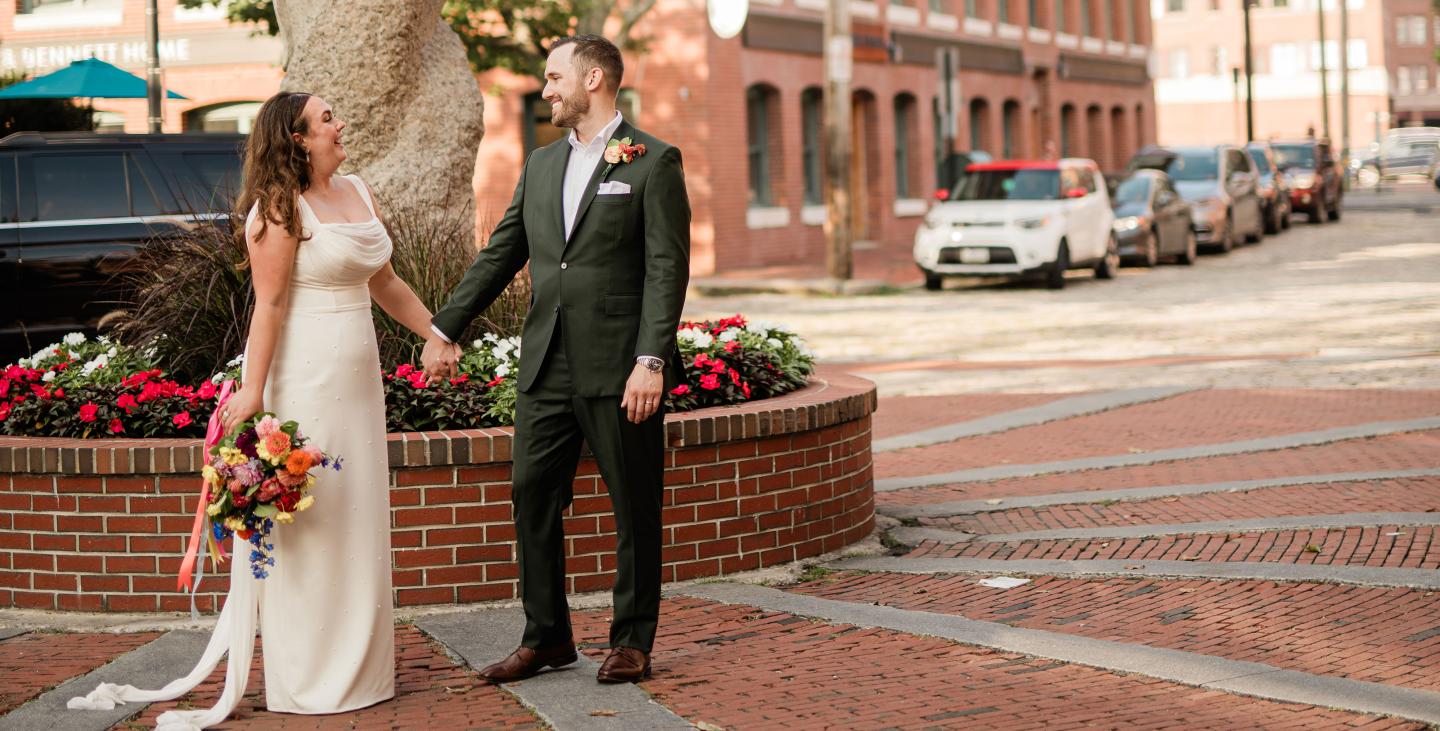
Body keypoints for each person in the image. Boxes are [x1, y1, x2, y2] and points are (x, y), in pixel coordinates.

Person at [69, 90, 448, 728]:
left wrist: (436, 332)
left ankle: (364, 670)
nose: (340, 123)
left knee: (357, 518)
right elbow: (268, 309)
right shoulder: (278, 210)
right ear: (297, 139)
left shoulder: (356, 188)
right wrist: (252, 390)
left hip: (358, 384)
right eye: (328, 118)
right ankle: (308, 679)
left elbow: (383, 281)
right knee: (311, 524)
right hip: (305, 380)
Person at [423, 33, 690, 684]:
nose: (545, 91)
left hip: (621, 365)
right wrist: (444, 326)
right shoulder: (541, 165)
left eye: (553, 78)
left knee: (633, 502)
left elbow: (666, 268)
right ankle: (547, 636)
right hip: (546, 364)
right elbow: (502, 252)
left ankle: (631, 638)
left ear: (594, 79)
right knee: (530, 492)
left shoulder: (652, 161)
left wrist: (650, 359)